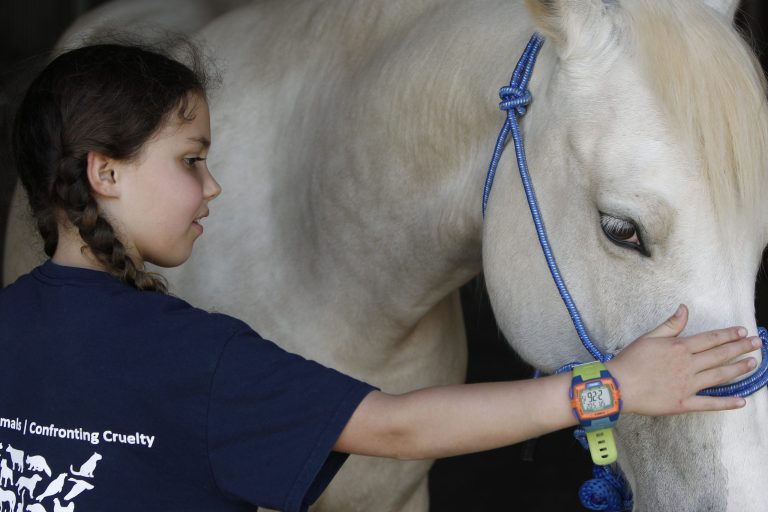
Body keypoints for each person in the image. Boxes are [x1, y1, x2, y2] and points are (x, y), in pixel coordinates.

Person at [0, 42, 758, 512]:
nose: (214, 186)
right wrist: (612, 388)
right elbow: (396, 426)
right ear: (105, 172)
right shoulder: (201, 357)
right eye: (192, 160)